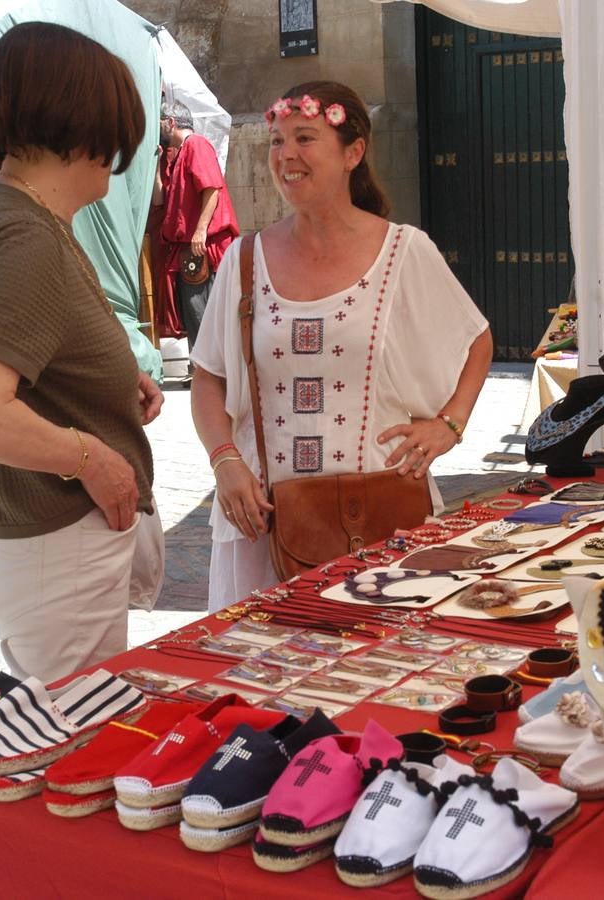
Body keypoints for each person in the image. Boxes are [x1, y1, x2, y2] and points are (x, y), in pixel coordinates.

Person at [190, 81, 494, 611]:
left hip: (380, 510)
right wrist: (224, 462)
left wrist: (447, 425)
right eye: (277, 141)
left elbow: (476, 339)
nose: (286, 155)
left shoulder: (404, 250)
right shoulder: (243, 260)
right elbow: (208, 377)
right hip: (264, 517)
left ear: (353, 152)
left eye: (305, 138)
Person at [0, 22, 163, 682]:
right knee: (73, 738)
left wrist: (113, 382)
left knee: (70, 721)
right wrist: (94, 460)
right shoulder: (21, 234)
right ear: (86, 123)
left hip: (41, 546)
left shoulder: (5, 215)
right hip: (57, 545)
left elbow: (33, 351)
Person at [156, 100, 239, 345]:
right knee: (193, 312)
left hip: (201, 247)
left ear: (171, 123)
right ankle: (203, 370)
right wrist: (155, 166)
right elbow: (160, 199)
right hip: (188, 248)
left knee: (202, 310)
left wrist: (200, 231)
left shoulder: (196, 145)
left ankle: (212, 372)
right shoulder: (175, 156)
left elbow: (212, 188)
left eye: (159, 124)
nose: (156, 130)